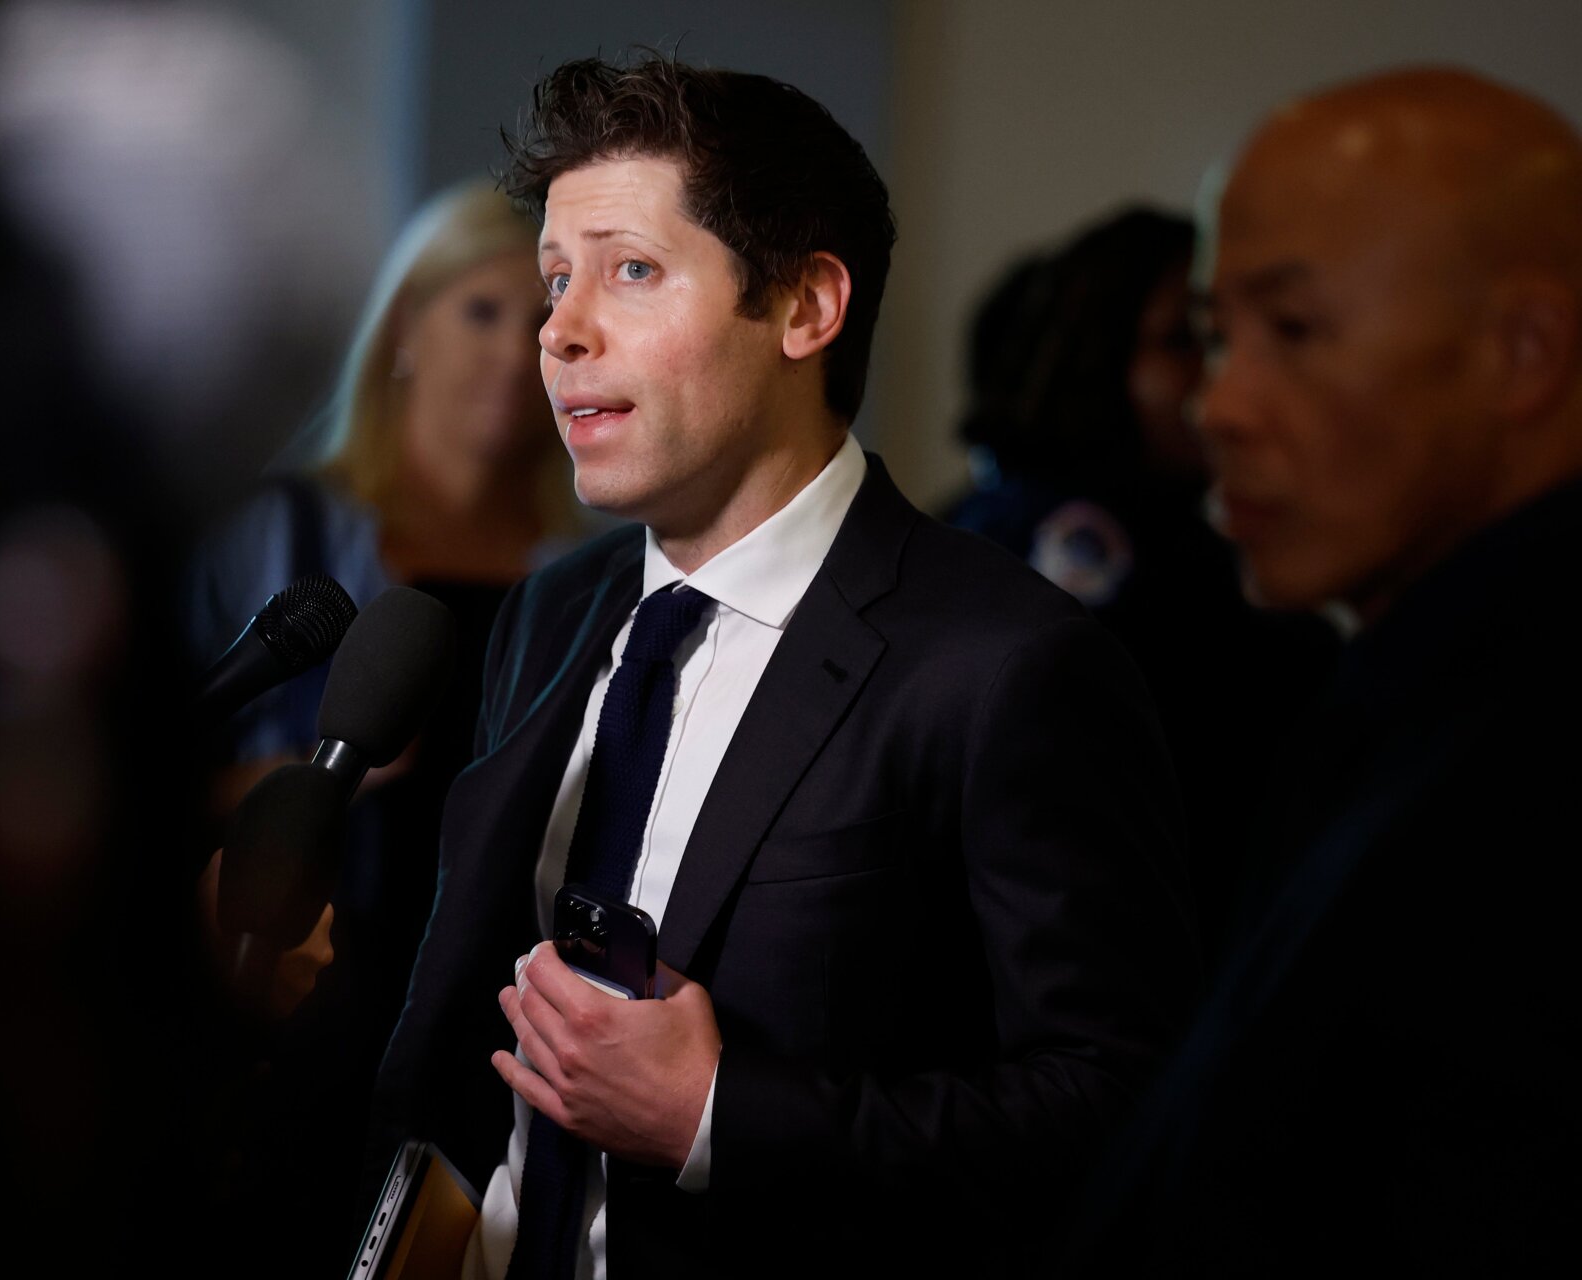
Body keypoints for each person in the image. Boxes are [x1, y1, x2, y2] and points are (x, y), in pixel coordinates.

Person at [367, 52, 1198, 1278]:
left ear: (807, 306)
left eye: (631, 272)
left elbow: (1120, 1107)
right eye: (555, 282)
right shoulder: (553, 609)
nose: (561, 332)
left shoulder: (1008, 663)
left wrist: (716, 1116)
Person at [1064, 67, 1582, 1272]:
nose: (1220, 404)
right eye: (1212, 336)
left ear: (1523, 352)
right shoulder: (1408, 694)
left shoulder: (1539, 767)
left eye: (1293, 330)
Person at [186, 180, 590, 1273]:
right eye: (482, 311)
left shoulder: (589, 575)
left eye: (544, 315)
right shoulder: (277, 534)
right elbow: (155, 772)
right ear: (405, 326)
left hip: (484, 1016)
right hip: (291, 997)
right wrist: (292, 785)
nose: (517, 350)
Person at [946, 209, 1336, 946]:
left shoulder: (1186, 527)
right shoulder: (1087, 543)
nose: (1222, 380)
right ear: (1100, 354)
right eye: (1187, 342)